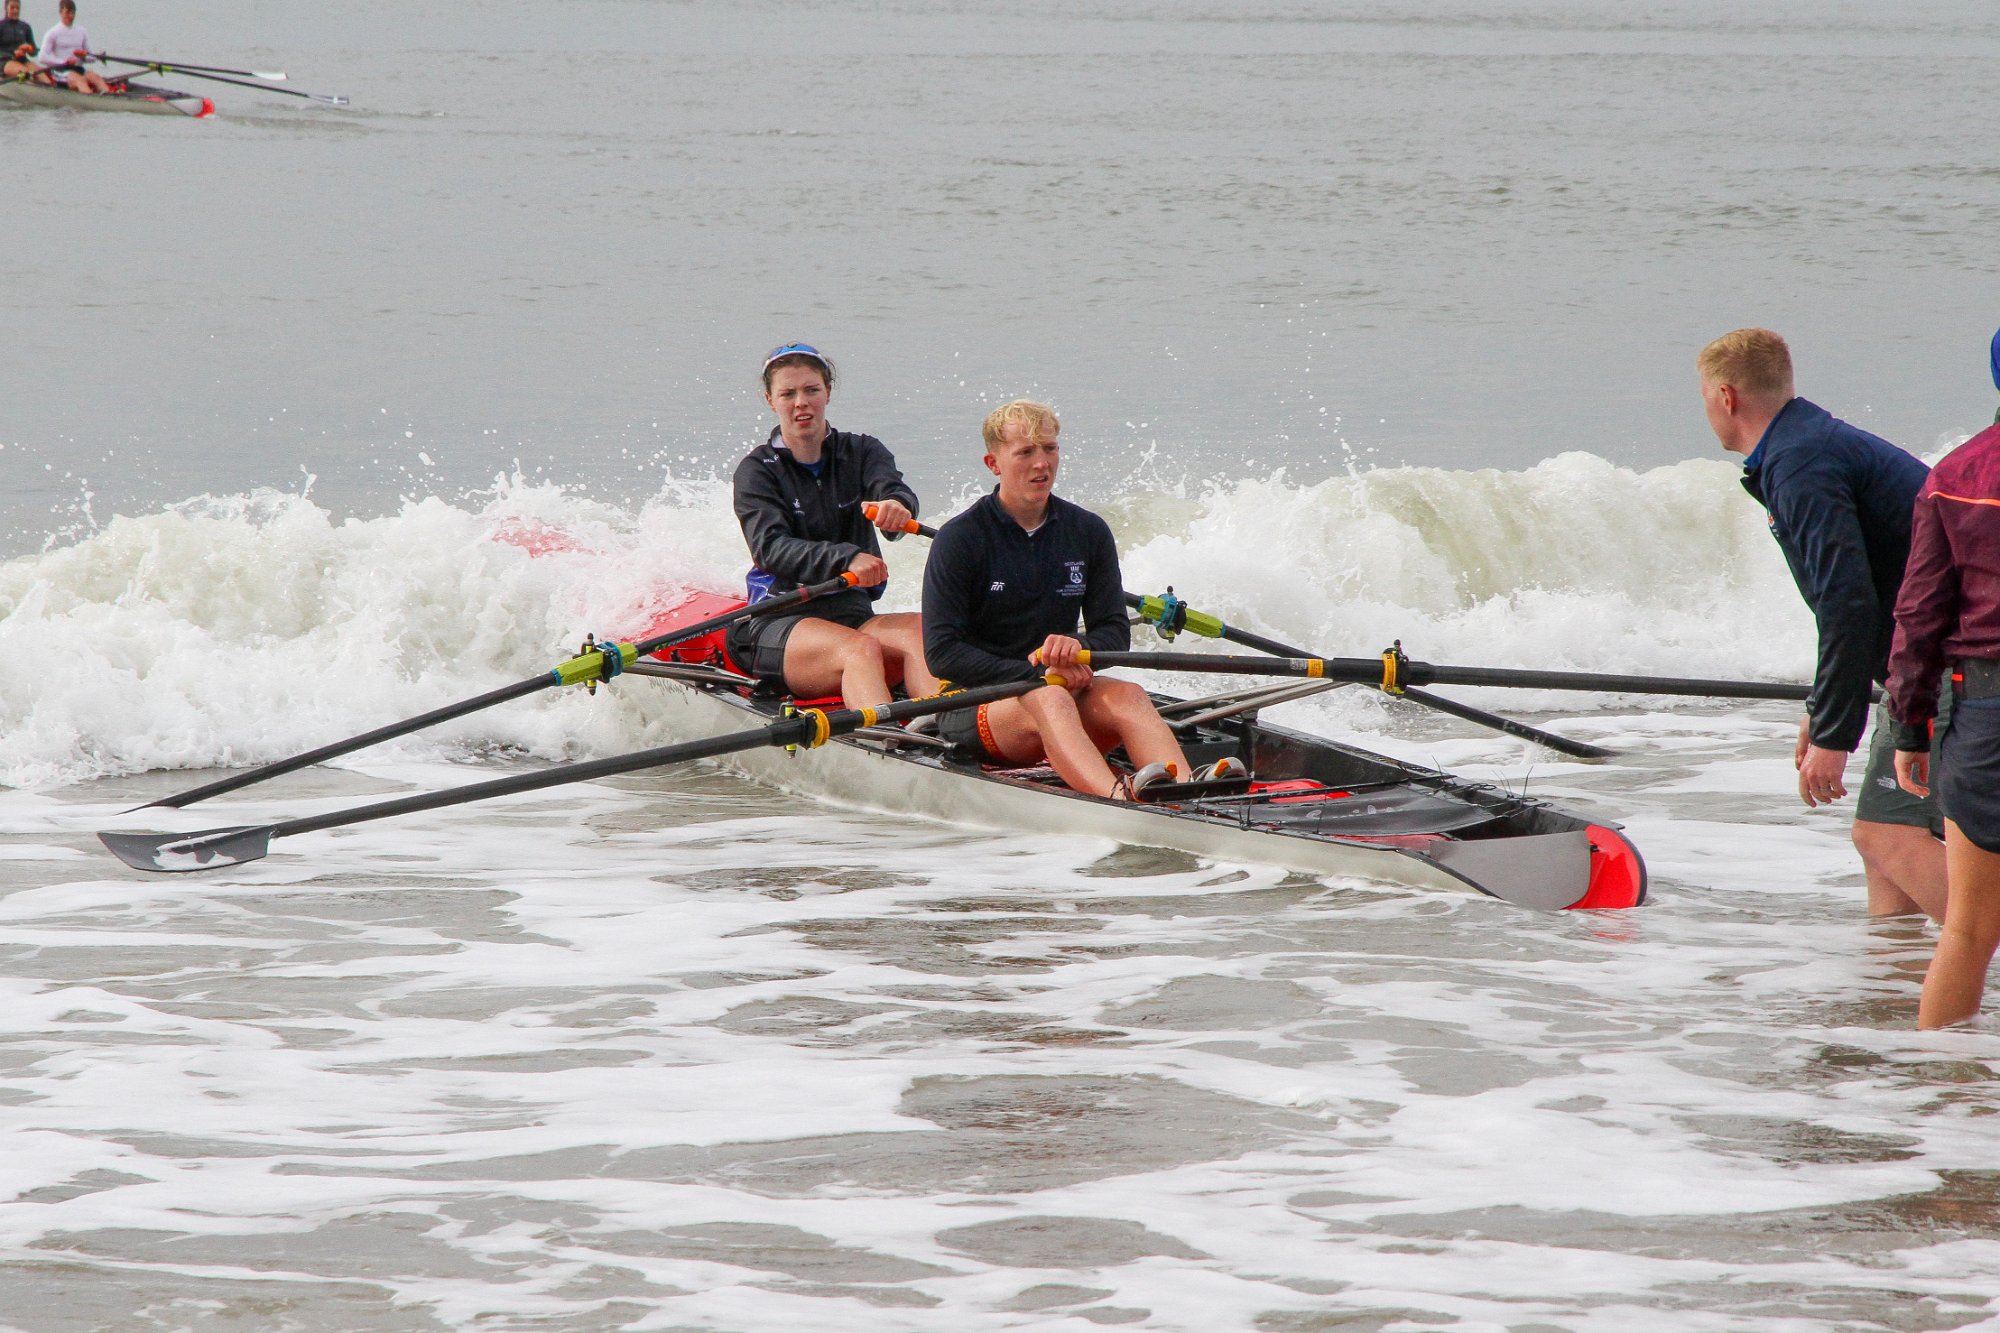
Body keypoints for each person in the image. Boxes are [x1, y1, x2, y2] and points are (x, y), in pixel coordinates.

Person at [1699, 327, 1947, 920]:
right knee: (1885, 845)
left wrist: (1836, 732)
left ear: (1726, 397)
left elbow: (1848, 603)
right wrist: (1823, 703)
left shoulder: (1798, 461)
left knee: (1885, 835)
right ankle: (1900, 995)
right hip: (1930, 663)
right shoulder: (1807, 444)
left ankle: (1958, 972)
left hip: (1947, 667)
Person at [922, 400, 1228, 801]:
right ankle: (1118, 800)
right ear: (993, 463)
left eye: (1050, 449)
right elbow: (942, 653)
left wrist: (1080, 650)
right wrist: (1034, 673)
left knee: (1129, 694)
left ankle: (1189, 794)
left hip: (1057, 690)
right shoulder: (959, 539)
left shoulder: (1087, 531)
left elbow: (1115, 633)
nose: (1041, 464)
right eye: (1026, 452)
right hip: (974, 701)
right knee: (1048, 695)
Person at [727, 342, 939, 711]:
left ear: (827, 392)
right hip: (780, 619)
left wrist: (896, 506)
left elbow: (890, 489)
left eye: (811, 390)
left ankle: (948, 728)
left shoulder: (862, 452)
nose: (801, 403)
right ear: (770, 400)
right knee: (861, 650)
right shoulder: (756, 471)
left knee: (922, 631)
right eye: (787, 393)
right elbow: (770, 548)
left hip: (851, 614)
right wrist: (849, 557)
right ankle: (888, 744)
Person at [1888, 414, 2000, 1027]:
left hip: (1987, 712)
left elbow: (1919, 613)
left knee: (1968, 931)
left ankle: (1941, 1101)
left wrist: (1910, 726)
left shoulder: (1956, 474)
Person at [35, 0, 109, 94]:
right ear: (60, 12)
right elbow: (42, 57)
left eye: (72, 13)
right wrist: (64, 62)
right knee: (80, 80)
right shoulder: (53, 33)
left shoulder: (82, 31)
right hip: (60, 71)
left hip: (78, 69)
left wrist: (84, 56)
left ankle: (111, 98)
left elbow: (92, 58)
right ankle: (91, 102)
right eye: (67, 12)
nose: (70, 16)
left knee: (96, 77)